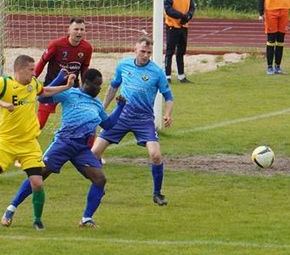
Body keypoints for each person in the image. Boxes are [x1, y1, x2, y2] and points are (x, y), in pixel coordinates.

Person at [1, 69, 125, 229]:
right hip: (63, 143)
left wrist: (120, 107)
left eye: (100, 85)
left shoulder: (96, 104)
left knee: (100, 179)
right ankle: (11, 209)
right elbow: (42, 97)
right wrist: (59, 78)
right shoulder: (70, 94)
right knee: (38, 176)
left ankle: (86, 218)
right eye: (97, 84)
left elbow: (107, 125)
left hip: (82, 149)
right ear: (86, 82)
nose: (99, 88)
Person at [91, 37, 174, 206]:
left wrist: (167, 113)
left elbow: (168, 96)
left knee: (155, 155)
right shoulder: (124, 65)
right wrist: (103, 108)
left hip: (144, 120)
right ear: (135, 49)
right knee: (94, 152)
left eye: (148, 53)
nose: (145, 55)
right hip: (121, 116)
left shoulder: (157, 72)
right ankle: (98, 185)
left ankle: (157, 194)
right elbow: (113, 86)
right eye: (142, 51)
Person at [0, 55, 75, 230]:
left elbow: (45, 91)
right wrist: (3, 103)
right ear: (19, 70)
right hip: (6, 142)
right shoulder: (5, 84)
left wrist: (66, 86)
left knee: (38, 182)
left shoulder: (33, 84)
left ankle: (37, 220)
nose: (34, 73)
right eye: (31, 70)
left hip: (29, 144)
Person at [34, 17, 92, 129]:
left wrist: (85, 88)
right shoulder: (56, 45)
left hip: (72, 88)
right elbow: (42, 62)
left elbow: (84, 69)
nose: (79, 32)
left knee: (78, 122)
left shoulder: (87, 48)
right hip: (52, 86)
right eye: (76, 29)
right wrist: (33, 77)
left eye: (82, 29)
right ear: (69, 30)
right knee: (39, 124)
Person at [164, 0, 196, 84]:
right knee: (170, 51)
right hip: (172, 26)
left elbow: (192, 7)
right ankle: (167, 76)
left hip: (184, 26)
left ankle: (181, 76)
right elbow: (168, 9)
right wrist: (181, 16)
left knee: (181, 51)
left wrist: (187, 17)